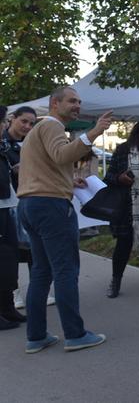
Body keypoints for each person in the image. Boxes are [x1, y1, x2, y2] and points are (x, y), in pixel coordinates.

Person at [17, 87, 112, 354]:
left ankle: (36, 337)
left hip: (31, 204)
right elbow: (62, 155)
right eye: (72, 101)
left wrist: (69, 179)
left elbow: (45, 165)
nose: (77, 105)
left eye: (79, 101)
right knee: (65, 271)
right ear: (54, 103)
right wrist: (94, 132)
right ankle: (75, 334)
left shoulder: (38, 129)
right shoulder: (52, 126)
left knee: (41, 272)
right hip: (50, 206)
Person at [2, 106, 54, 309]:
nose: (27, 126)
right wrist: (11, 169)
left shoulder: (31, 142)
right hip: (9, 203)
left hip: (31, 200)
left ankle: (39, 289)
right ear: (12, 119)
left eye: (31, 123)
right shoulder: (4, 143)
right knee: (11, 251)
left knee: (35, 249)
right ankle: (13, 293)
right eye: (23, 121)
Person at [103, 119, 139, 298]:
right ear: (137, 134)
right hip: (126, 206)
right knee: (123, 245)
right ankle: (115, 281)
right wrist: (120, 178)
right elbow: (109, 176)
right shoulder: (123, 149)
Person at [0, 106, 25, 330]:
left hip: (7, 205)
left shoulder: (4, 146)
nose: (5, 126)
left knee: (9, 259)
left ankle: (7, 308)